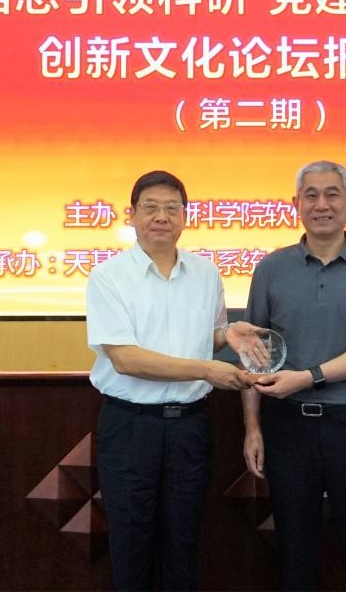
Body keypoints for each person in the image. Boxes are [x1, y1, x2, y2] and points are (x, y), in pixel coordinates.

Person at [87, 169, 260, 591]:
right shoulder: (108, 277)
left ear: (185, 216)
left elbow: (205, 335)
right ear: (131, 215)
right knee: (131, 546)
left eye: (171, 208)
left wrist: (227, 334)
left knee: (184, 545)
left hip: (190, 428)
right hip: (131, 428)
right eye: (150, 207)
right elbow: (125, 358)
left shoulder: (206, 273)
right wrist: (205, 369)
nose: (161, 216)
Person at [241, 160, 346, 591]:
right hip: (288, 427)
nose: (321, 204)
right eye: (310, 195)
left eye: (332, 194)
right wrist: (253, 428)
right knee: (294, 553)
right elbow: (254, 356)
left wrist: (307, 377)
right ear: (295, 204)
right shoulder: (271, 268)